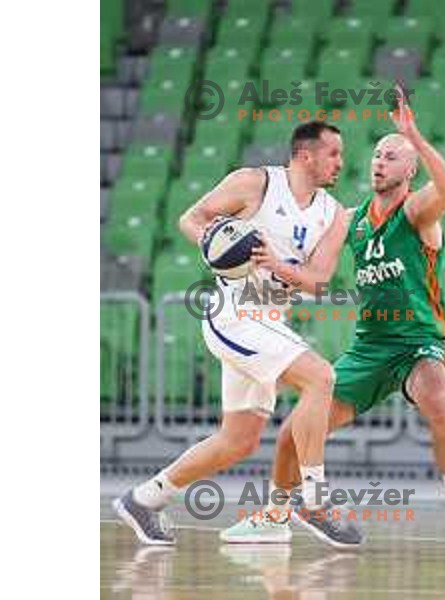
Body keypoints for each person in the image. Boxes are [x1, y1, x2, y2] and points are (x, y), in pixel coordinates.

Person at [221, 90, 445, 552]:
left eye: (391, 156)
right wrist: (263, 254)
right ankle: (274, 516)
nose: (378, 162)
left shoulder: (417, 212)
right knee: (294, 431)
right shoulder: (351, 221)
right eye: (376, 155)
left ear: (409, 170)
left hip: (418, 343)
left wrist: (414, 136)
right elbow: (308, 253)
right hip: (369, 348)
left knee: (435, 391)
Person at [114, 121, 362, 548]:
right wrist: (216, 244)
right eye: (334, 153)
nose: (341, 162)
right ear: (306, 155)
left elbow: (319, 280)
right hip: (236, 313)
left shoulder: (333, 214)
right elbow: (191, 219)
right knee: (321, 377)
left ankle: (144, 499)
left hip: (271, 321)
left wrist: (277, 265)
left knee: (238, 440)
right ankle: (313, 498)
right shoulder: (254, 183)